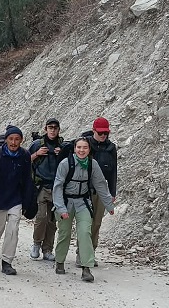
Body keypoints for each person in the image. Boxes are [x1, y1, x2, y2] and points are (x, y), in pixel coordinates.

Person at [53, 137, 115, 282]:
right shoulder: (65, 164)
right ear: (74, 148)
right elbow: (57, 187)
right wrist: (61, 208)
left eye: (85, 147)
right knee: (64, 233)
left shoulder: (93, 165)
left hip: (83, 202)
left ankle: (86, 268)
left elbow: (100, 184)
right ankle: (60, 261)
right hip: (66, 202)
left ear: (89, 149)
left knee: (85, 232)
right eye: (79, 147)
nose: (82, 150)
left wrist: (108, 205)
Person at [0, 125, 35, 275]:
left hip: (15, 199)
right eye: (11, 139)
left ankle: (7, 262)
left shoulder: (25, 155)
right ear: (6, 140)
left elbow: (28, 181)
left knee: (13, 230)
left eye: (17, 139)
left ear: (22, 140)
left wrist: (28, 203)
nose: (14, 142)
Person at [28, 118, 66, 261]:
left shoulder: (63, 146)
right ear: (45, 129)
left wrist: (62, 153)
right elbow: (25, 160)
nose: (53, 130)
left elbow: (71, 161)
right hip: (41, 187)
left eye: (55, 128)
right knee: (41, 217)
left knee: (52, 221)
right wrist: (37, 154)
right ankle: (36, 244)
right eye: (50, 127)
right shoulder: (37, 144)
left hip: (57, 188)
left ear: (59, 130)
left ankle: (47, 249)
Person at [82, 117, 118, 267]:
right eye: (101, 133)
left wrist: (112, 192)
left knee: (96, 223)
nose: (104, 136)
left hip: (101, 191)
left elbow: (113, 171)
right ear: (94, 131)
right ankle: (82, 253)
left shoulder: (111, 148)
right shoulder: (85, 144)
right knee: (85, 223)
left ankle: (91, 252)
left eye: (106, 133)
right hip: (84, 190)